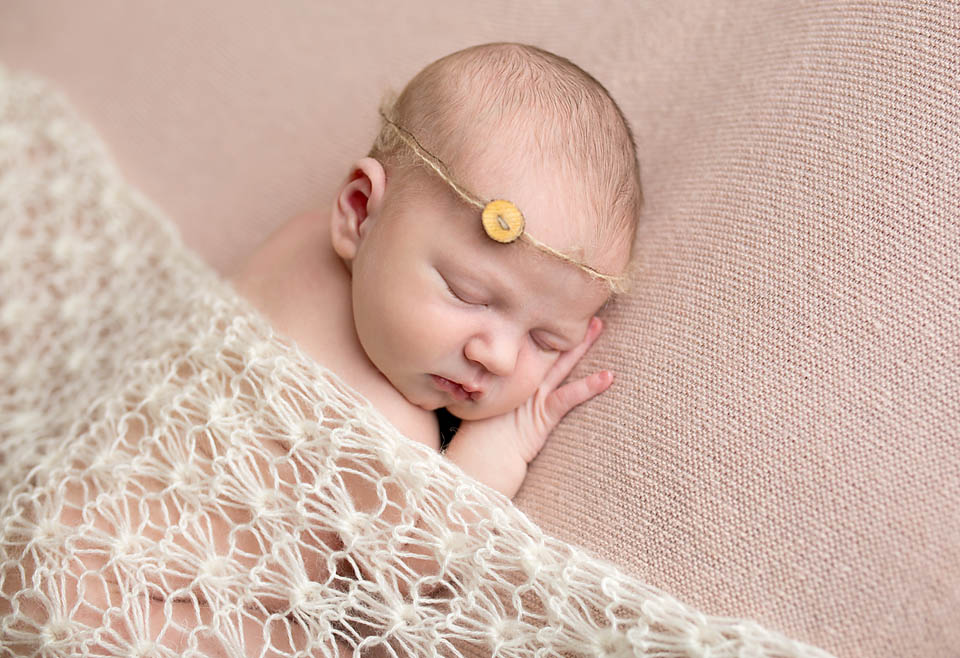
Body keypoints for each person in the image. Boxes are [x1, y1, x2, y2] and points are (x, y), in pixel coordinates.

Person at [230, 42, 642, 498]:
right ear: (361, 211)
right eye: (467, 293)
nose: (499, 358)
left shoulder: (299, 240)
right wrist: (502, 444)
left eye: (546, 341)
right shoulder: (391, 442)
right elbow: (428, 561)